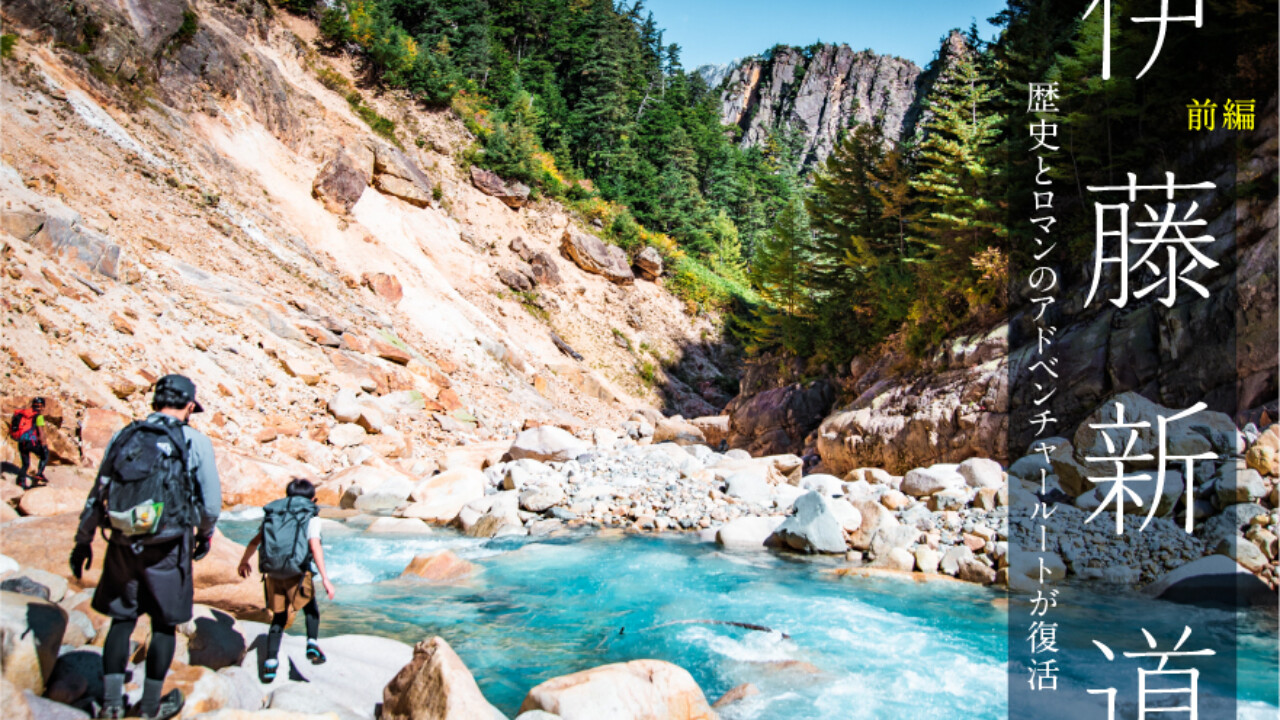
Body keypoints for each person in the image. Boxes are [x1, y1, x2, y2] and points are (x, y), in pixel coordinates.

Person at [70, 375, 222, 720]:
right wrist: (204, 534)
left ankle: (110, 705)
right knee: (164, 626)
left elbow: (99, 490)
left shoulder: (125, 435)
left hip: (124, 541)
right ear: (188, 406)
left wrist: (83, 540)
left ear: (155, 402)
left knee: (121, 621)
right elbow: (211, 505)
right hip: (170, 545)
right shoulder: (194, 440)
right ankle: (151, 706)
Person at [237, 478, 336, 681]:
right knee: (310, 609)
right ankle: (312, 644)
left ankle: (270, 662)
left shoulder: (275, 514)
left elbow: (256, 540)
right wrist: (325, 578)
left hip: (273, 573)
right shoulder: (311, 516)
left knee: (279, 618)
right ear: (313, 499)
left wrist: (244, 561)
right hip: (298, 573)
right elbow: (315, 547)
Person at [9, 397, 49, 489]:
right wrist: (43, 446)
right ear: (42, 407)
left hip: (21, 442)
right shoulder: (38, 416)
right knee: (45, 455)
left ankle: (20, 482)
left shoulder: (23, 414)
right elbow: (41, 432)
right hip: (31, 442)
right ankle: (39, 475)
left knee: (25, 464)